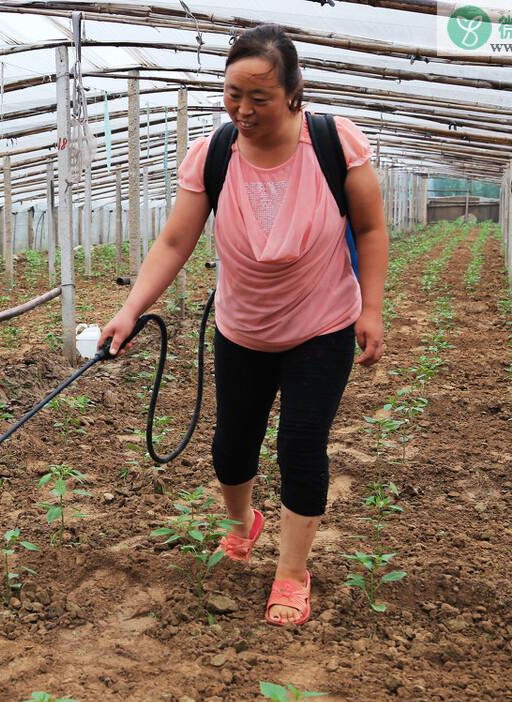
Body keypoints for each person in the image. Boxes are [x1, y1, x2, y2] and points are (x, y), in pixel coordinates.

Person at [100, 24, 387, 627]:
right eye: (233, 94)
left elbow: (369, 228)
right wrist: (129, 310)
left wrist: (373, 306)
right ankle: (242, 523)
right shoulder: (216, 152)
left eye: (259, 96)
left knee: (300, 446)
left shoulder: (335, 143)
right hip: (241, 328)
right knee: (232, 448)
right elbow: (177, 240)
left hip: (321, 324)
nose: (244, 108)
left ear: (293, 91)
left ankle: (291, 573)